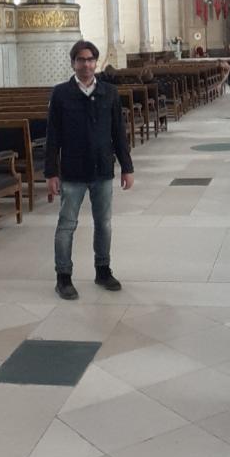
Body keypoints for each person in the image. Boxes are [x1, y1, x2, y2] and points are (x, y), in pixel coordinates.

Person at [45, 40, 134, 300]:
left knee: (103, 224)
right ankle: (63, 277)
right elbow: (53, 136)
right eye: (81, 59)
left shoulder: (109, 92)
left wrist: (126, 167)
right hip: (72, 171)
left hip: (102, 169)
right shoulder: (61, 93)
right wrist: (51, 172)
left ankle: (103, 270)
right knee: (66, 225)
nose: (86, 64)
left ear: (96, 62)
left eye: (90, 59)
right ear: (73, 63)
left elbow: (119, 133)